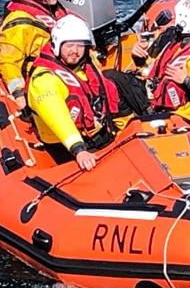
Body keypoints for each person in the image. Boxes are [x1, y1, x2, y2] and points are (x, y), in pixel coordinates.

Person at [27, 15, 126, 171]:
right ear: (57, 45)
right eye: (70, 45)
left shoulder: (85, 66)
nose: (75, 51)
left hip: (95, 132)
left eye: (80, 46)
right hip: (65, 144)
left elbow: (106, 95)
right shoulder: (44, 79)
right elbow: (57, 116)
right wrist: (78, 149)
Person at [0, 0, 68, 110]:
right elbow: (9, 63)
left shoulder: (52, 10)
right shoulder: (20, 25)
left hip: (63, 68)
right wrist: (19, 95)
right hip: (42, 82)